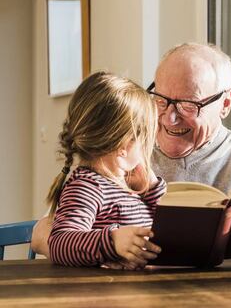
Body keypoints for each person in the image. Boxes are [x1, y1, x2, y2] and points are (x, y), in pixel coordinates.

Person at [32, 43, 231, 268]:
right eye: (162, 100)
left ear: (225, 103)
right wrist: (107, 248)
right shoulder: (127, 149)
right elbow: (46, 234)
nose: (169, 118)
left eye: (187, 105)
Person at [45, 71, 166, 269]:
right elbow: (59, 243)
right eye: (145, 142)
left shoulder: (127, 185)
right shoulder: (87, 186)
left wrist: (152, 189)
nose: (147, 149)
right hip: (103, 295)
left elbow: (162, 229)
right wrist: (112, 241)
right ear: (124, 147)